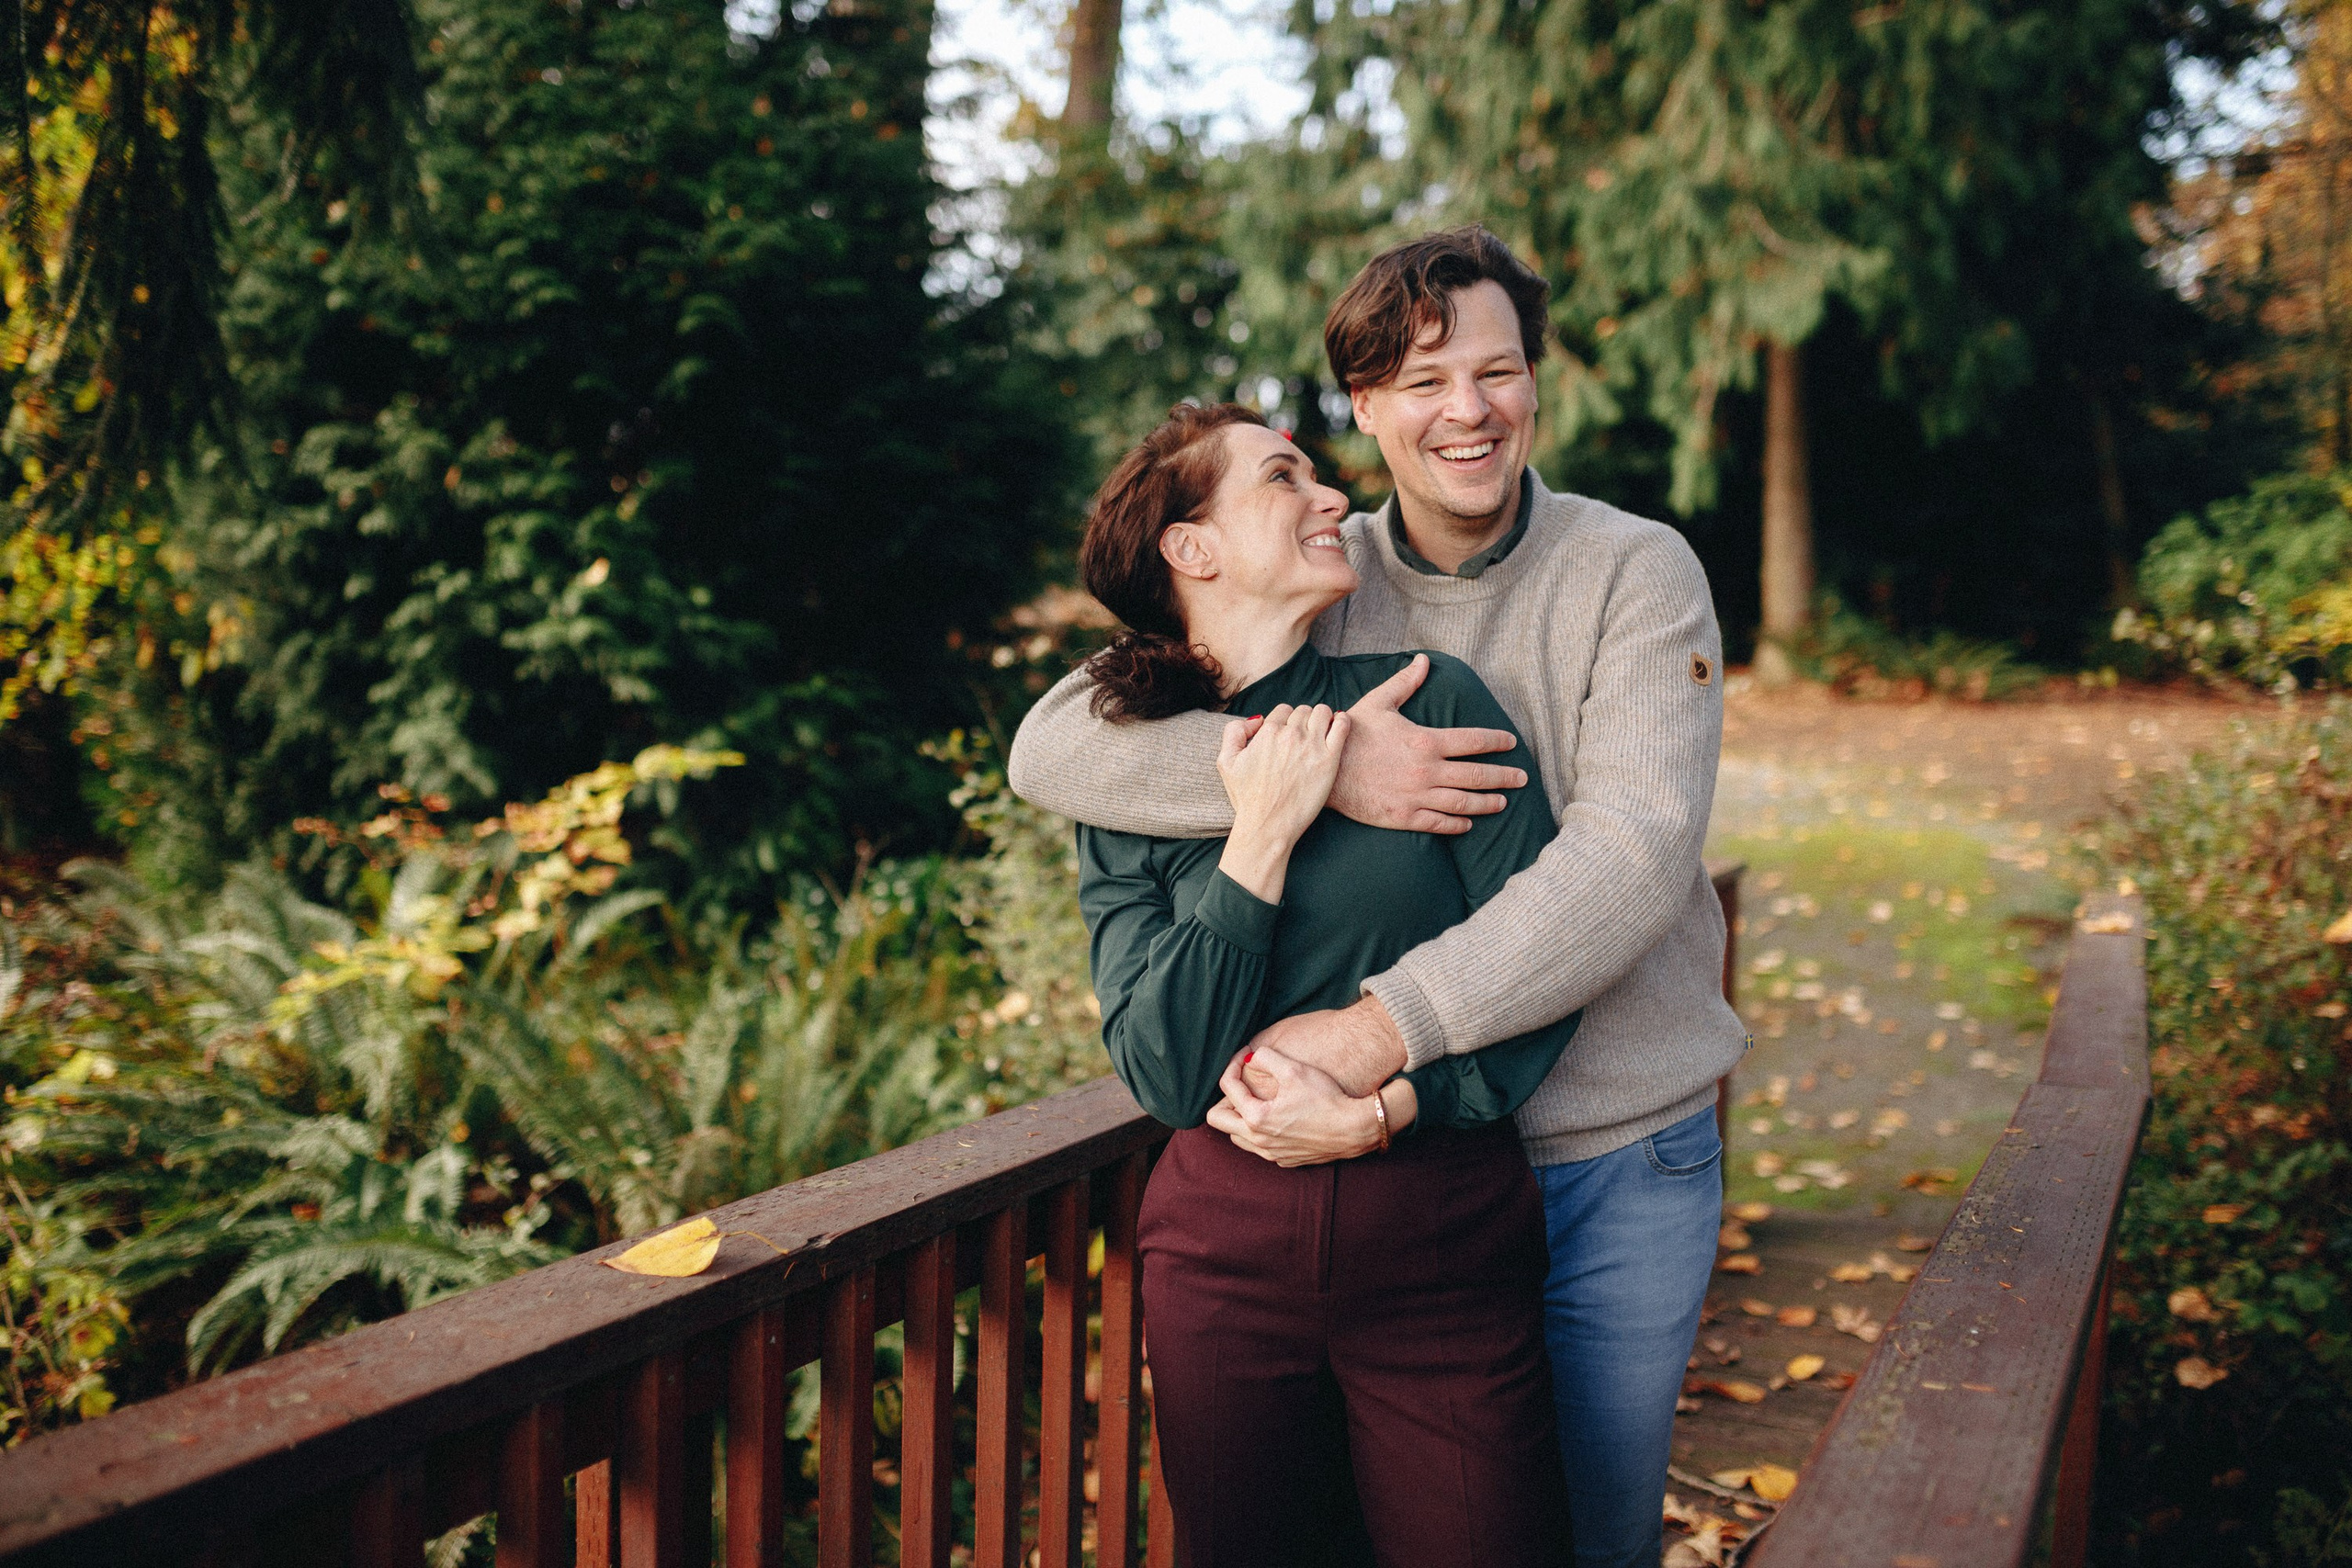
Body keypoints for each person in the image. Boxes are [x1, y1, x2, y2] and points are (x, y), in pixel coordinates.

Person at [1011, 226, 1748, 1568]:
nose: (1467, 410)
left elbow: (1632, 853)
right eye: (1422, 381)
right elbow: (1055, 746)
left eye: (1498, 370)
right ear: (1367, 407)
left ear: (1535, 380)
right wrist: (1330, 762)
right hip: (1368, 1178)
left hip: (1603, 1148)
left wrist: (1379, 1037)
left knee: (1581, 1532)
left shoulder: (1633, 570)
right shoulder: (1323, 570)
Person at [1074, 400, 1576, 1568]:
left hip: (1444, 1239)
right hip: (1222, 1257)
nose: (1331, 499)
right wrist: (1258, 835)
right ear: (1189, 549)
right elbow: (1162, 1067)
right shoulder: (1122, 766)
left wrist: (1396, 1103)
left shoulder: (1427, 702)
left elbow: (1541, 960)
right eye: (1281, 479)